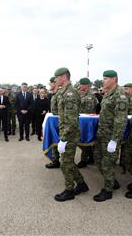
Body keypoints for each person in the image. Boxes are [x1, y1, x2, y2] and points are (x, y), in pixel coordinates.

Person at [53, 67, 88, 202]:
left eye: (57, 77)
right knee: (67, 161)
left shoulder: (71, 94)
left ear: (64, 77)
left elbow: (72, 121)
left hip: (70, 134)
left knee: (65, 163)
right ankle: (81, 184)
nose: (55, 80)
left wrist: (64, 139)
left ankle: (69, 190)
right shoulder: (64, 92)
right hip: (66, 132)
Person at [92, 70, 128, 202]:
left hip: (111, 136)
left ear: (114, 79)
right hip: (102, 134)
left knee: (107, 163)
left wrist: (114, 140)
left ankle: (108, 191)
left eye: (106, 78)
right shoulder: (108, 94)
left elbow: (120, 120)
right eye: (103, 78)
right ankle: (112, 181)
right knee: (97, 158)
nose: (103, 80)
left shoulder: (120, 95)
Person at [77, 77, 98, 168]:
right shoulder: (82, 94)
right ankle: (91, 157)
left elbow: (88, 111)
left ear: (86, 85)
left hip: (87, 122)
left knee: (85, 141)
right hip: (83, 121)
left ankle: (83, 160)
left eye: (81, 84)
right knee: (84, 142)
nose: (79, 86)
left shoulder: (89, 96)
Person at [45, 76, 61, 169]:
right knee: (55, 141)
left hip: (59, 122)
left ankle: (57, 160)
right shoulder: (54, 94)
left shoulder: (59, 94)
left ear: (55, 83)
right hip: (55, 122)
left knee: (59, 142)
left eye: (50, 83)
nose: (49, 85)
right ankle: (55, 160)